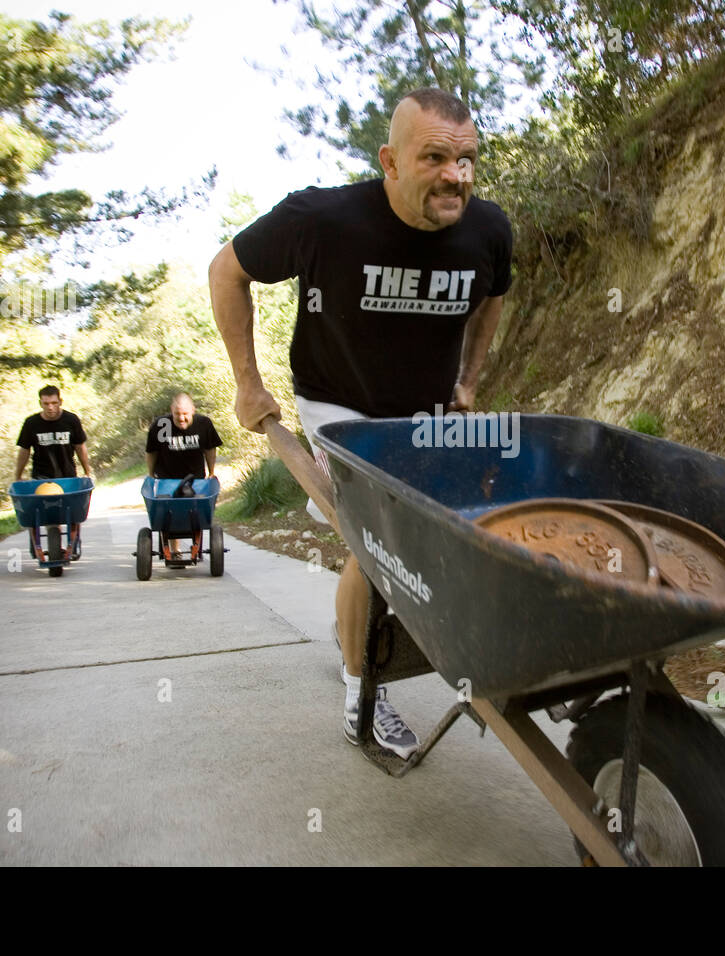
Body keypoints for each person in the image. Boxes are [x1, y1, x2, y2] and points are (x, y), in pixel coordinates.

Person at [209, 87, 512, 760]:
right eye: (435, 158)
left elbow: (493, 296)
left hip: (423, 415)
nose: (456, 177)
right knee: (376, 543)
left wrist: (468, 380)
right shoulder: (323, 219)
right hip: (339, 409)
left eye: (467, 160)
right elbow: (226, 270)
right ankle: (360, 692)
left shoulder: (488, 231)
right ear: (391, 162)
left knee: (468, 523)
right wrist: (247, 385)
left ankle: (451, 644)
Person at [14, 385, 91, 559]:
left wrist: (87, 471)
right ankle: (37, 543)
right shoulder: (31, 423)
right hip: (42, 476)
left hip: (67, 475)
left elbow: (80, 447)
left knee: (73, 511)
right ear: (40, 403)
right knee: (40, 513)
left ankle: (72, 544)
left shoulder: (71, 420)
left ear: (60, 402)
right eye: (46, 403)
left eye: (54, 403)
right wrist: (18, 476)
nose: (50, 407)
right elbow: (24, 451)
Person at [146, 392, 223, 562]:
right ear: (171, 411)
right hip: (167, 479)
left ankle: (196, 546)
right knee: (170, 514)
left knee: (194, 512)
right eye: (177, 414)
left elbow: (210, 449)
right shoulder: (160, 426)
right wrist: (151, 475)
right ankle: (175, 550)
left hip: (195, 479)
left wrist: (211, 472)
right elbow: (152, 452)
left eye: (185, 414)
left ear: (193, 411)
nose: (181, 418)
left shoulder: (204, 424)